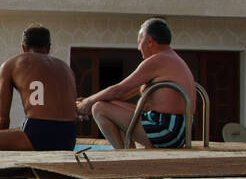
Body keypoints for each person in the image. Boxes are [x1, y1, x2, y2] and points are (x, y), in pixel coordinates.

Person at [76, 17, 195, 148]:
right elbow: (120, 96)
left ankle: (124, 156)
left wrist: (87, 104)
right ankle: (127, 151)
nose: (138, 48)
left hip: (167, 130)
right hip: (178, 129)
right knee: (106, 105)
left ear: (149, 40)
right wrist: (88, 101)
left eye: (139, 42)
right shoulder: (171, 59)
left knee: (99, 108)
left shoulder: (158, 60)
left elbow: (118, 90)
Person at [0, 25, 78, 151]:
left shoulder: (11, 64)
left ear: (23, 48)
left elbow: (3, 119)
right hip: (69, 137)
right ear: (48, 48)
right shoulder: (66, 68)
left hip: (38, 133)